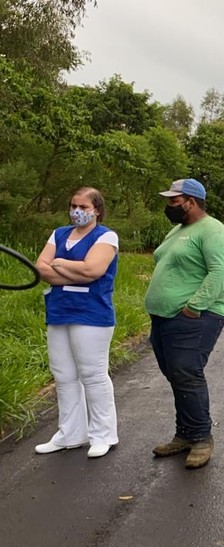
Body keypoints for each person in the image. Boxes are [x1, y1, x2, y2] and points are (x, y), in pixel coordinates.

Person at [145, 178, 224, 470]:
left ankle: (200, 438)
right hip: (164, 317)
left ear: (191, 202)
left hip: (196, 315)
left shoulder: (213, 230)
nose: (169, 206)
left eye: (174, 201)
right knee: (175, 374)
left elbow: (222, 271)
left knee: (186, 372)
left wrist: (194, 307)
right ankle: (184, 434)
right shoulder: (178, 230)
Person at [33, 187, 119, 459]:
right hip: (59, 311)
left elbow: (94, 270)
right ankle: (70, 433)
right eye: (73, 205)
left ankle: (103, 434)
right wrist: (73, 272)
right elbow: (40, 268)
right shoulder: (59, 234)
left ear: (97, 210)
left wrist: (58, 264)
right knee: (64, 376)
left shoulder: (106, 236)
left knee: (93, 375)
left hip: (92, 314)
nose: (77, 211)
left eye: (83, 207)